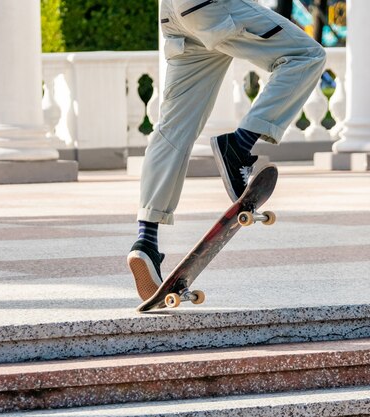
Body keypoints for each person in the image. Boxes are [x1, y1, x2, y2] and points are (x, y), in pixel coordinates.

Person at [128, 0, 326, 301]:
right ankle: (238, 145)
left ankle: (146, 240)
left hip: (175, 16)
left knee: (172, 130)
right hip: (212, 7)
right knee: (306, 55)